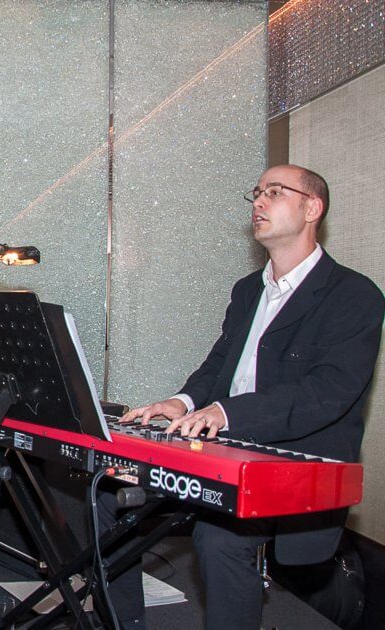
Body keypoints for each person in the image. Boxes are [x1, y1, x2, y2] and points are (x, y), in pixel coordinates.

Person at [101, 164, 384, 629]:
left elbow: (327, 393)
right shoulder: (249, 289)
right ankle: (123, 622)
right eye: (256, 192)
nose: (259, 201)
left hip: (294, 462)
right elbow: (219, 365)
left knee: (219, 539)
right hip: (223, 446)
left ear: (312, 208)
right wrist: (182, 402)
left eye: (275, 192)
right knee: (106, 493)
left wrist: (225, 413)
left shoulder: (354, 295)